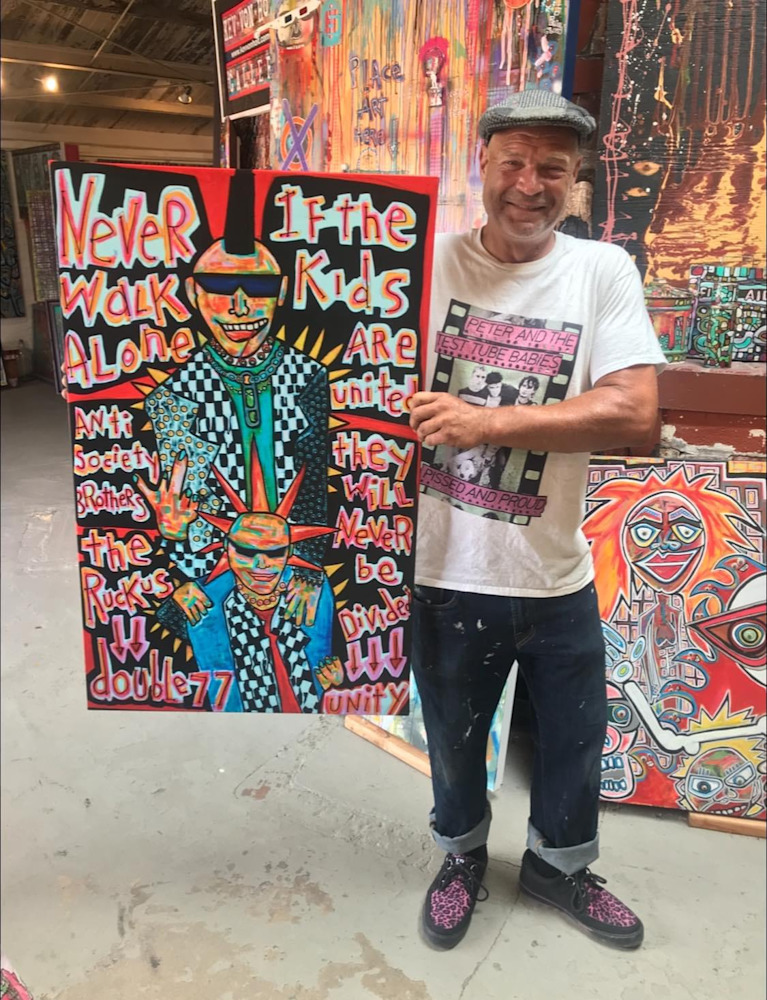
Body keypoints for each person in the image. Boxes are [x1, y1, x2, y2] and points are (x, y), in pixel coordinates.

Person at [408, 91, 666, 951]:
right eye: (512, 162)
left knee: (572, 740)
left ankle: (559, 868)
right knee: (452, 740)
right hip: (441, 568)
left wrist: (486, 422)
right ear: (480, 164)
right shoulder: (423, 266)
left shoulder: (601, 271)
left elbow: (634, 412)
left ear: (575, 179)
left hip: (554, 570)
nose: (529, 184)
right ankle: (460, 858)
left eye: (551, 168)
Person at [137, 170, 329, 626]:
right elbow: (177, 506)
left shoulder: (308, 376)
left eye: (258, 288)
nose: (240, 307)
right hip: (211, 573)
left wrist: (309, 568)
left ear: (281, 292)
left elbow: (317, 481)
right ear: (193, 292)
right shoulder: (175, 394)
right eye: (221, 287)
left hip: (293, 568)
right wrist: (179, 563)